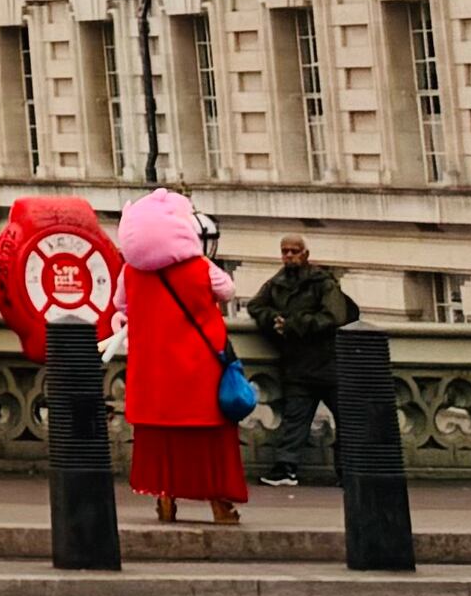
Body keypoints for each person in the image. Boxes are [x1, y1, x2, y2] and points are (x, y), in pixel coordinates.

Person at [115, 188, 245, 524]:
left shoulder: (129, 272)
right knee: (209, 437)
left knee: (161, 438)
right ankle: (219, 504)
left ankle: (165, 498)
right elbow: (228, 291)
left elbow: (121, 306)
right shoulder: (200, 267)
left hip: (152, 370)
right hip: (198, 367)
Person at [245, 236, 356, 487]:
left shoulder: (323, 283)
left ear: (305, 254)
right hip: (298, 363)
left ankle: (350, 471)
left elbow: (334, 316)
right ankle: (286, 469)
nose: (289, 256)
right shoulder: (277, 283)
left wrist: (293, 324)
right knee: (295, 420)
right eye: (285, 251)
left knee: (347, 420)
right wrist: (273, 319)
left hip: (329, 362)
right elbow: (255, 306)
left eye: (294, 251)